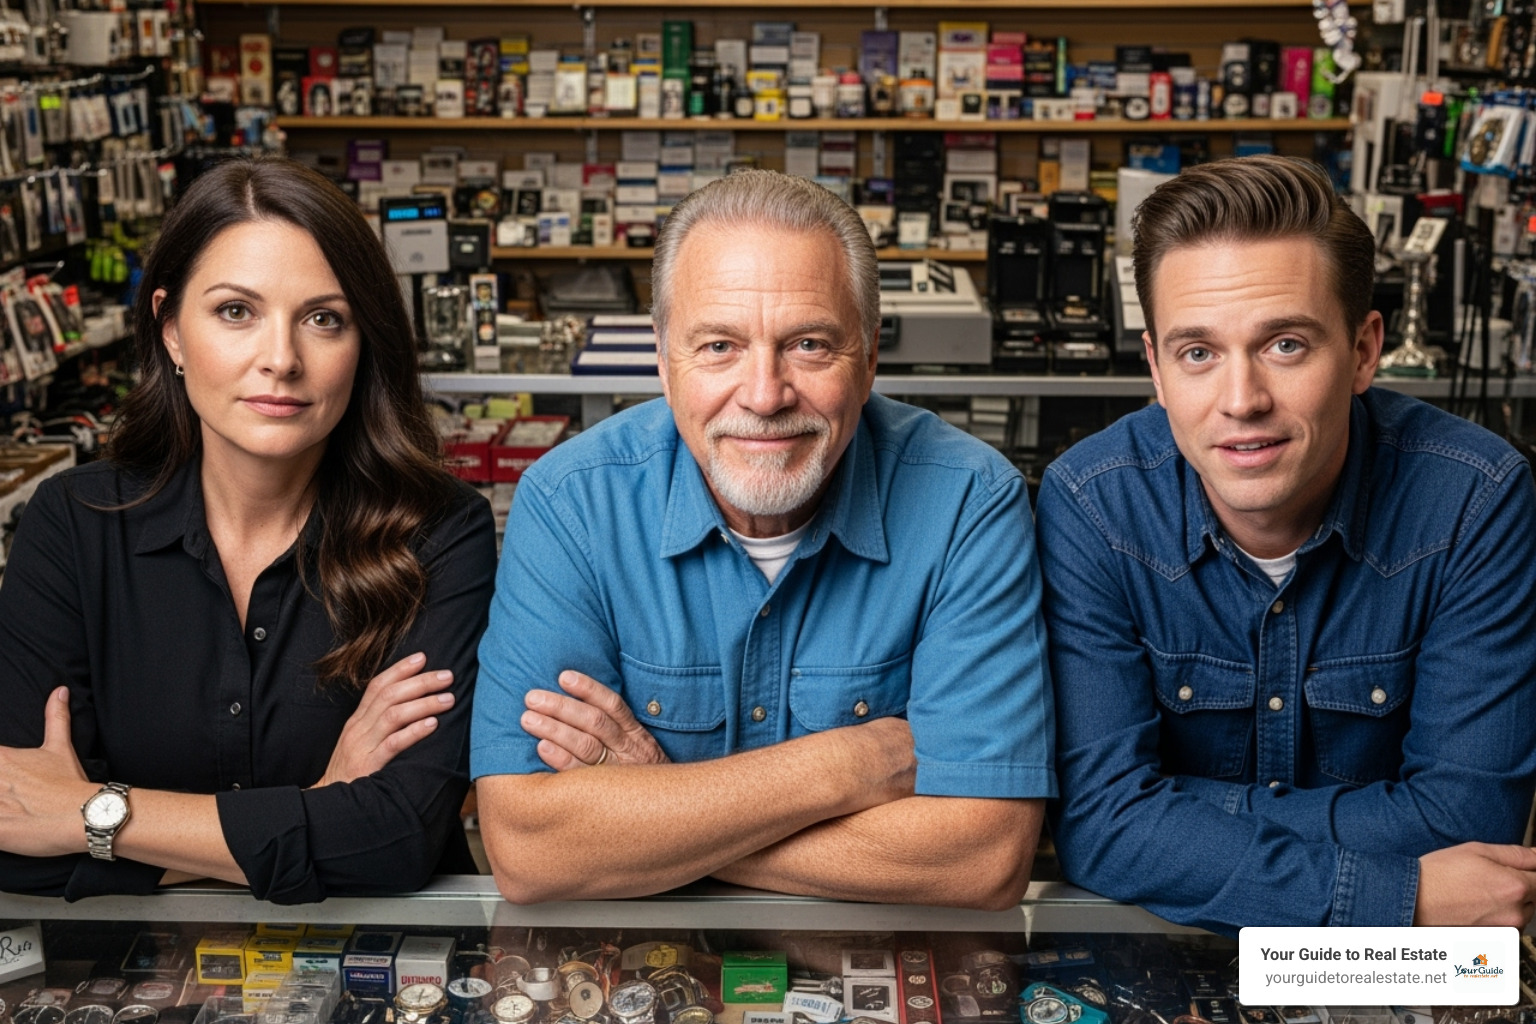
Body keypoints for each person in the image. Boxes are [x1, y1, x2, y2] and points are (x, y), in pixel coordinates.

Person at [472, 169, 1054, 909]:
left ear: (869, 357)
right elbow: (529, 848)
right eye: (719, 345)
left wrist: (655, 817)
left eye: (809, 344)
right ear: (663, 360)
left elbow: (983, 857)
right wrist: (843, 766)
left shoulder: (968, 500)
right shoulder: (572, 503)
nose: (764, 395)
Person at [1038, 154, 1536, 934]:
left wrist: (1172, 828)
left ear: (1364, 351)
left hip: (1385, 973)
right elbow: (1099, 823)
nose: (1242, 401)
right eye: (1198, 353)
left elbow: (1468, 823)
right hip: (1209, 945)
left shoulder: (1474, 499)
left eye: (1286, 345)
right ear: (1156, 370)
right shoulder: (1094, 505)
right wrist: (1393, 893)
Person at [0, 158, 496, 903]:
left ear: (365, 342)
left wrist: (90, 817)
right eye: (236, 311)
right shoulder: (74, 525)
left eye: (323, 319)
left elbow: (398, 839)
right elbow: (12, 839)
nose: (281, 360)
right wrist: (322, 806)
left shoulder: (438, 532)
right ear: (171, 329)